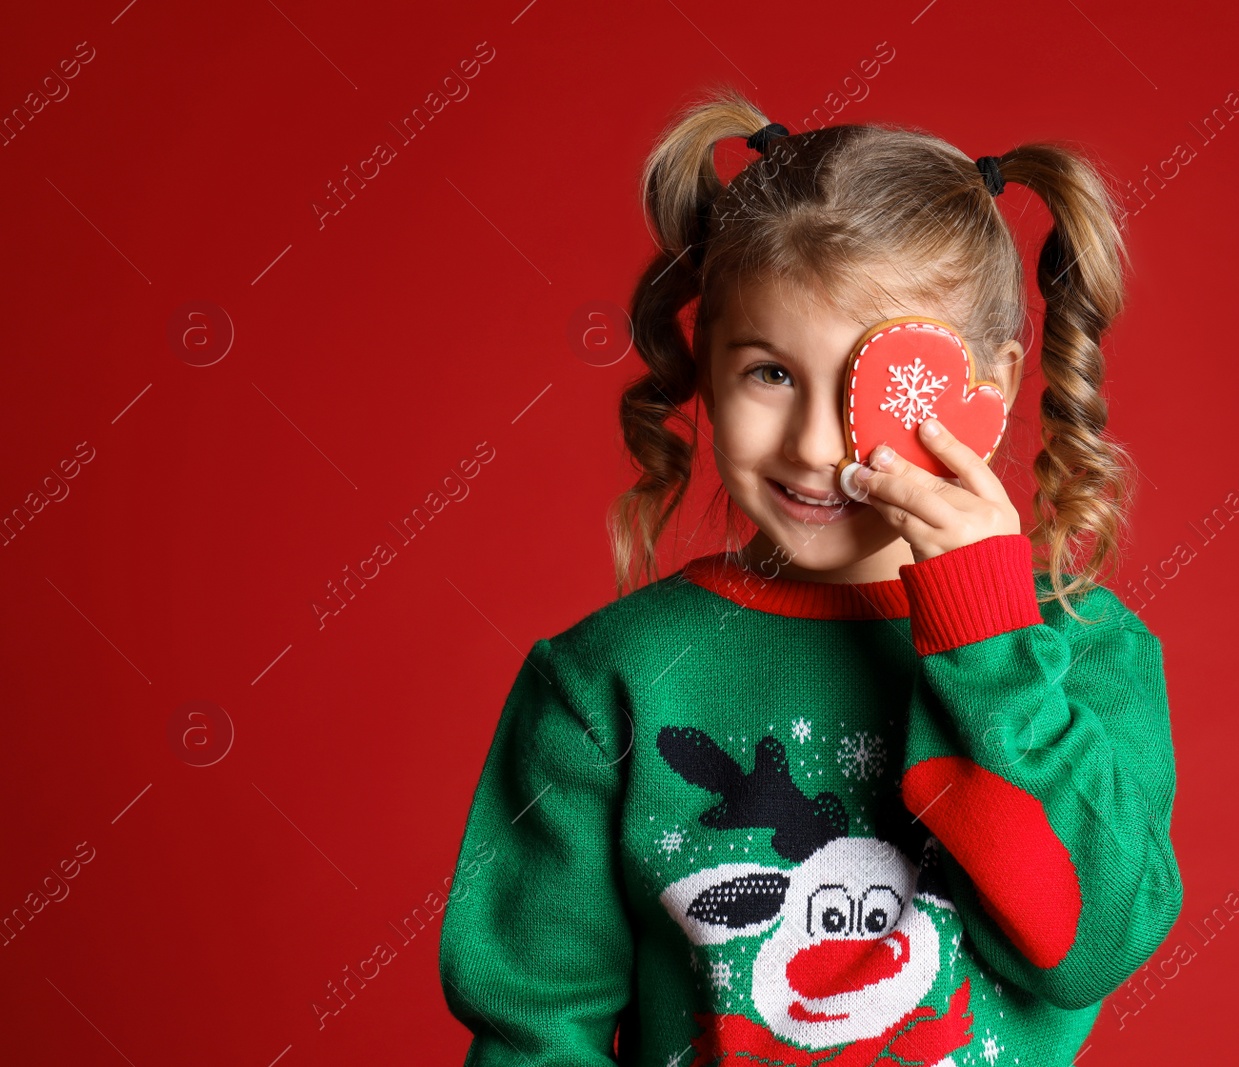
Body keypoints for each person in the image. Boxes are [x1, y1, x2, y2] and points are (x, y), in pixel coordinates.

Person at [438, 86, 1181, 1066]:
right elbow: (535, 1023)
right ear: (703, 361)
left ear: (988, 388)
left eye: (875, 385)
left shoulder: (1081, 650)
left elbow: (1088, 942)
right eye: (770, 373)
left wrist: (989, 634)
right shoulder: (606, 680)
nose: (820, 443)